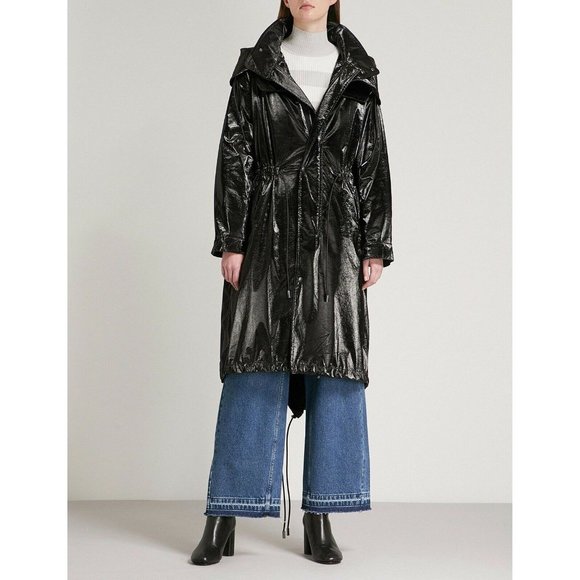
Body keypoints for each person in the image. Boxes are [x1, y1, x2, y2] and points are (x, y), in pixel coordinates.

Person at [190, 0, 393, 566]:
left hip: (337, 234)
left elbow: (371, 160)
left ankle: (320, 513)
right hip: (265, 226)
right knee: (253, 365)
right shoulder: (256, 68)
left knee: (335, 368)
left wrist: (374, 243)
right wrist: (232, 237)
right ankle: (224, 514)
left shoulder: (359, 72)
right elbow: (235, 153)